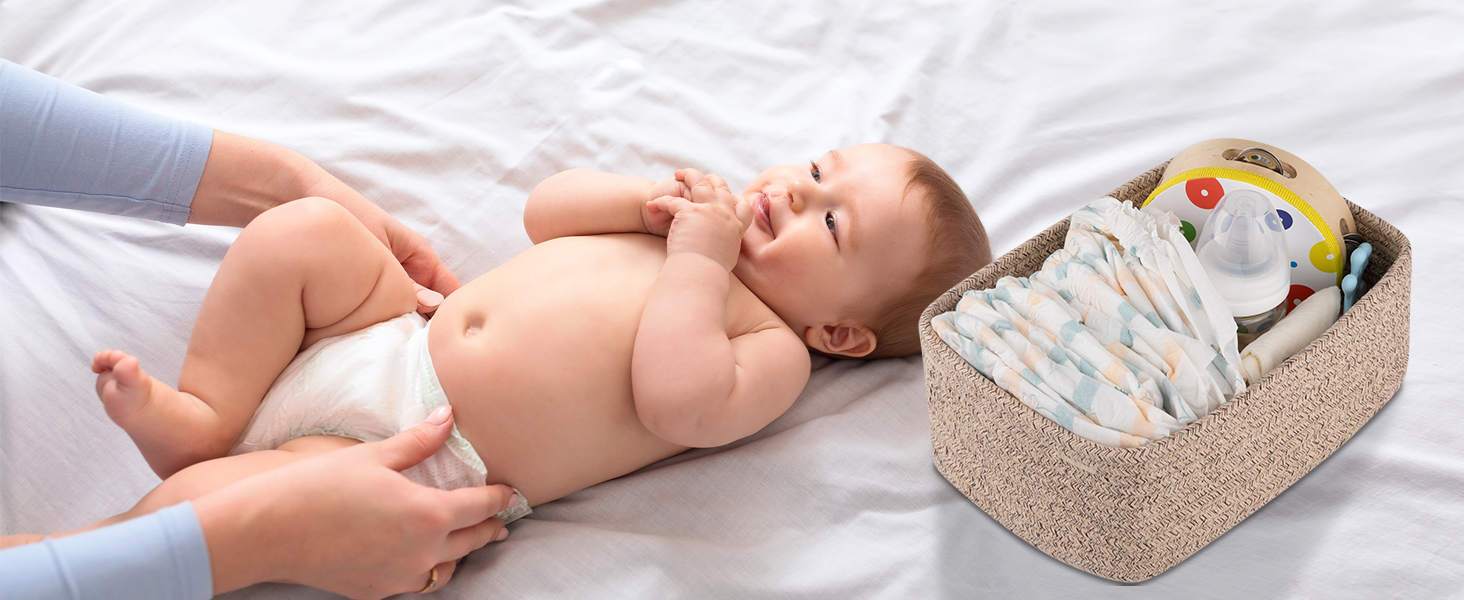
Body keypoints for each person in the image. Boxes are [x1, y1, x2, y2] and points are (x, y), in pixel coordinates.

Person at [38, 139, 991, 566]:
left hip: (414, 450)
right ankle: (206, 415)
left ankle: (111, 541)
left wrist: (700, 262)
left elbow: (679, 402)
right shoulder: (681, 219)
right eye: (817, 168)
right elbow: (544, 213)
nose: (796, 191)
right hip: (388, 330)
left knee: (221, 509)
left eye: (833, 223)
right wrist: (639, 206)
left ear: (838, 334)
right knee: (305, 231)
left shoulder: (768, 347)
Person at [0, 60, 516, 599]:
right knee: (200, 505)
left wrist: (287, 184)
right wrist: (272, 538)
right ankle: (98, 531)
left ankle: (204, 419)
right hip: (376, 447)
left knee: (306, 228)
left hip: (385, 342)